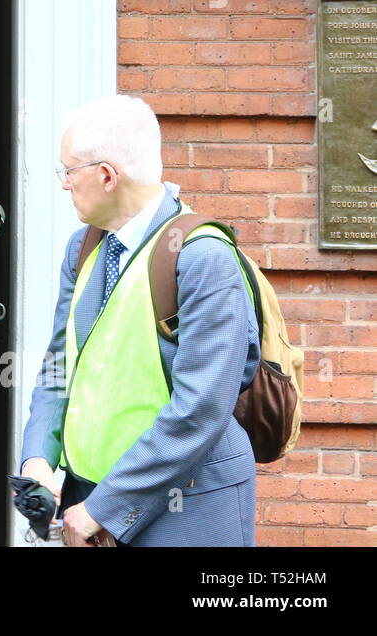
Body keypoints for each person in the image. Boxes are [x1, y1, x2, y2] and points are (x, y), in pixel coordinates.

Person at [20, 94, 260, 546]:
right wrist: (38, 460)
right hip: (89, 499)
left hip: (188, 508)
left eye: (69, 171)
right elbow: (59, 365)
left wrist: (103, 507)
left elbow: (200, 410)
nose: (65, 184)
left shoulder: (204, 256)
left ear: (107, 175)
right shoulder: (84, 247)